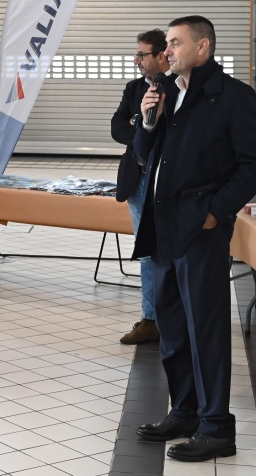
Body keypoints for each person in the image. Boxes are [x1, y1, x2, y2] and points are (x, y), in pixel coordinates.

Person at [133, 16, 256, 462]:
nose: (167, 51)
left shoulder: (232, 98)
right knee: (172, 327)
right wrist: (148, 122)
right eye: (167, 45)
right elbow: (143, 154)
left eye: (175, 43)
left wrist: (216, 211)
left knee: (205, 328)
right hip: (163, 226)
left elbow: (254, 165)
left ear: (203, 47)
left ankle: (217, 427)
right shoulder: (168, 94)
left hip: (200, 229)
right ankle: (186, 410)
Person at [111, 28, 170, 345]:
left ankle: (171, 317)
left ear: (161, 56)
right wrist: (139, 128)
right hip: (137, 179)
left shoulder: (178, 89)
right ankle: (150, 320)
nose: (136, 60)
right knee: (146, 253)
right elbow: (116, 126)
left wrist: (140, 126)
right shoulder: (134, 88)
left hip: (167, 182)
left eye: (142, 55)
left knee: (168, 252)